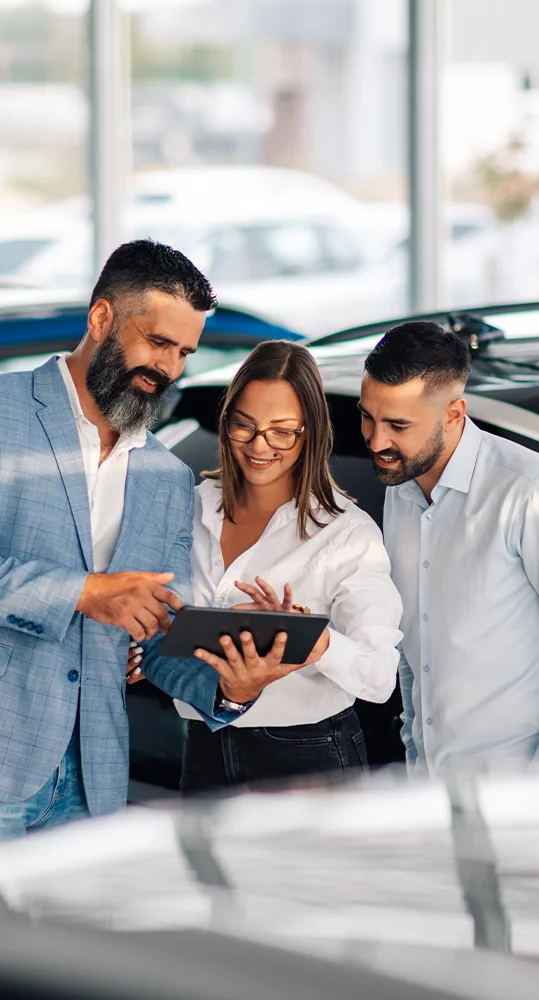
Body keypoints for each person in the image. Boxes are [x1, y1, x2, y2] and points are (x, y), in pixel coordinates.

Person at [0, 238, 291, 838]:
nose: (170, 368)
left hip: (96, 784)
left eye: (185, 351)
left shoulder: (167, 477)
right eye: (158, 342)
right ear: (101, 317)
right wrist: (82, 593)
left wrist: (231, 687)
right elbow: (98, 596)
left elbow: (156, 635)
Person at [129, 340, 402, 792]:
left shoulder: (348, 535)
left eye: (281, 431)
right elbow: (154, 617)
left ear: (309, 432)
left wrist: (312, 641)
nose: (260, 446)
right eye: (245, 426)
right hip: (202, 746)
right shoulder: (188, 508)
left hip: (308, 757)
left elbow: (378, 677)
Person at [359, 320, 539, 776]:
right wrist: (415, 754)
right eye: (368, 416)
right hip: (429, 792)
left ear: (454, 414)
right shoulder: (399, 488)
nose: (377, 442)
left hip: (514, 799)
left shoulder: (524, 492)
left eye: (398, 425)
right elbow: (412, 650)